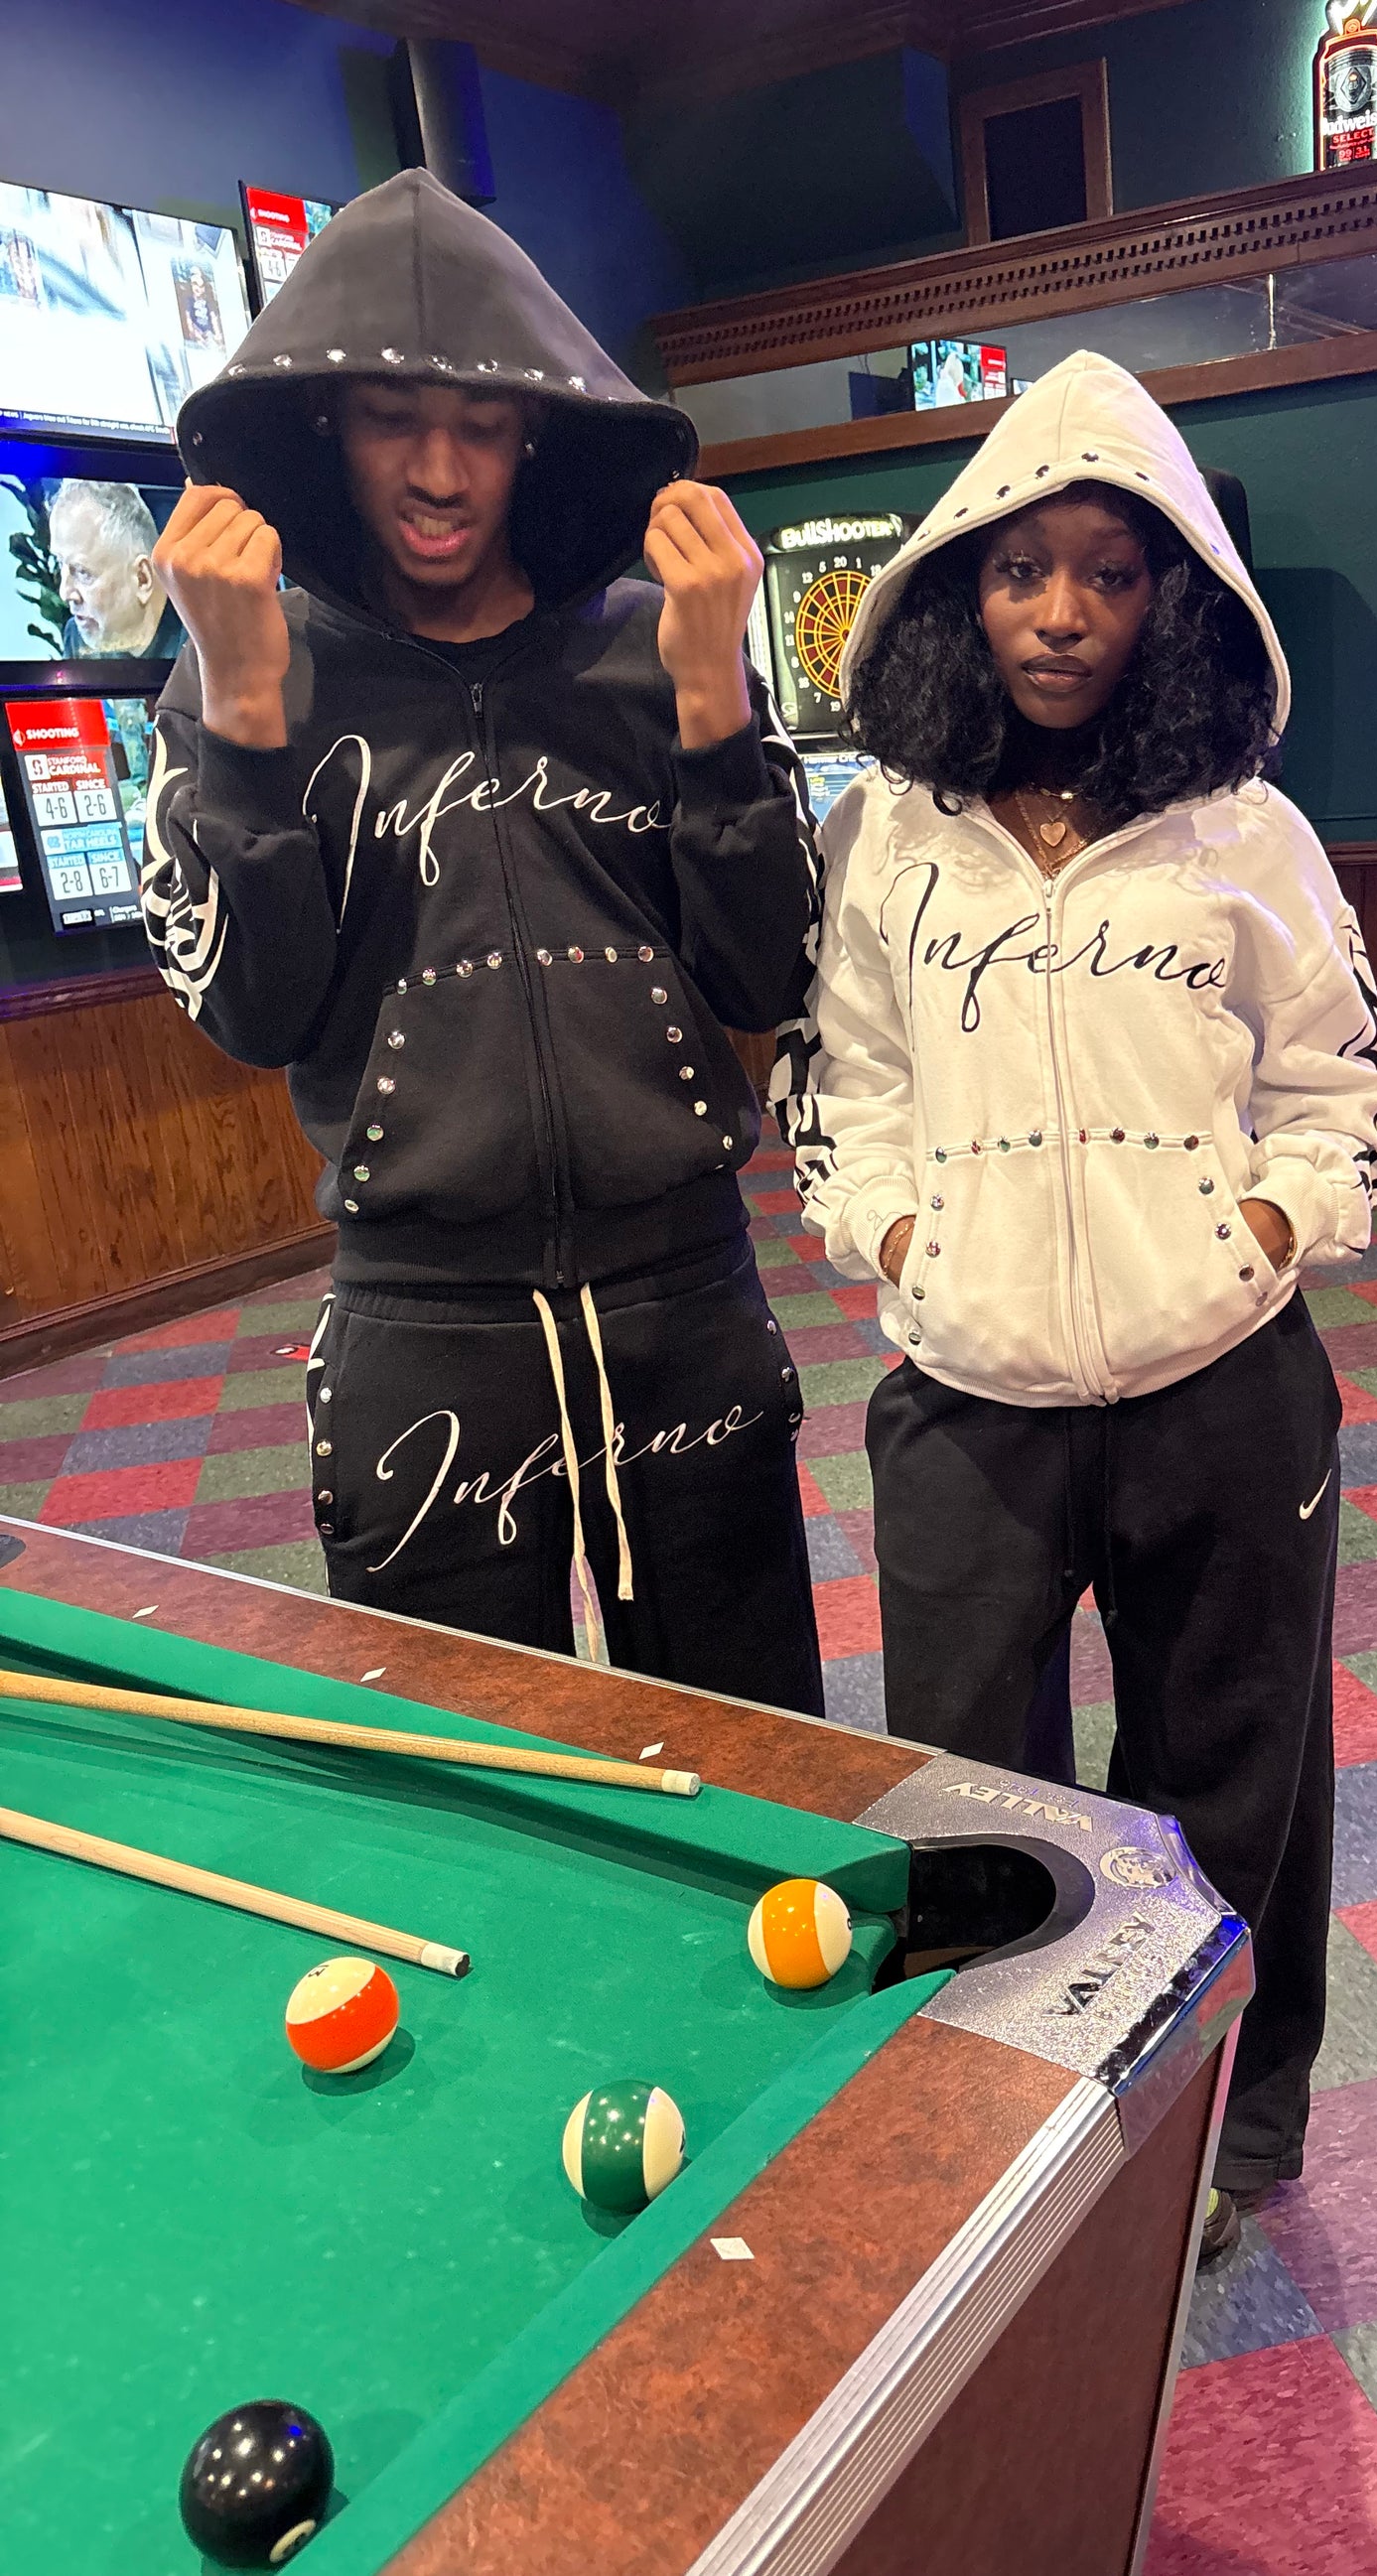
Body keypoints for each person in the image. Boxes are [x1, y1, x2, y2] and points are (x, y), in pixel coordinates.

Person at [778, 350, 1377, 2255]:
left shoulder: (1248, 833)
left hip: (1223, 1389)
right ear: (959, 590)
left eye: (1109, 575)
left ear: (1169, 601)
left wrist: (1263, 1232)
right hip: (965, 1397)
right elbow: (849, 1086)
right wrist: (899, 1241)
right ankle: (1008, 2131)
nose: (1061, 613)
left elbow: (1342, 1089)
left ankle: (1225, 2131)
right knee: (974, 1792)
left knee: (1232, 1777)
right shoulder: (886, 834)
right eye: (1021, 568)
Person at [143, 169, 822, 1713]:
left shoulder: (653, 640)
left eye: (484, 424)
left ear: (538, 434)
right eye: (393, 416)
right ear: (327, 421)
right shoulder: (247, 666)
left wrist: (712, 701)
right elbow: (254, 1011)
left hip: (684, 1298)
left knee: (750, 1743)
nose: (440, 470)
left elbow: (765, 975)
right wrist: (242, 713)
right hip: (421, 1323)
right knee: (457, 1765)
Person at [49, 479, 185, 659]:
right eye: (60, 563)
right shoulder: (78, 636)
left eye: (83, 572)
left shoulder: (202, 641)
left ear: (142, 578)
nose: (64, 593)